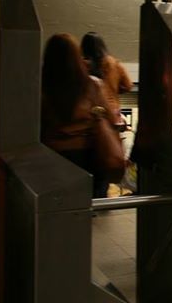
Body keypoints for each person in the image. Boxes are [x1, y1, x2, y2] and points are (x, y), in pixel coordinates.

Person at [41, 33, 119, 198]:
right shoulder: (91, 85)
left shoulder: (40, 86)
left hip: (51, 157)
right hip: (87, 156)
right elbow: (110, 119)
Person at [81, 32, 133, 128]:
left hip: (92, 113)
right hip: (113, 112)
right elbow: (128, 85)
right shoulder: (114, 63)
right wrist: (114, 89)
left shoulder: (82, 65)